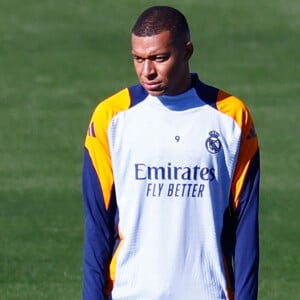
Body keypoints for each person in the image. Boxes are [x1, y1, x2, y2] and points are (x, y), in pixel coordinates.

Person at [82, 5, 260, 300]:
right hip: (130, 294)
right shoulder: (110, 117)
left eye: (159, 58)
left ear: (187, 51)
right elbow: (98, 225)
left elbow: (246, 225)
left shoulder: (231, 117)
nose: (146, 71)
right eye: (138, 59)